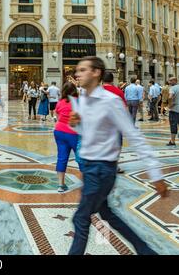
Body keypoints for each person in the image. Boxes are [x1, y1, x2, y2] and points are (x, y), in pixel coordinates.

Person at [68, 56, 169, 255]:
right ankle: (146, 251)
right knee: (107, 214)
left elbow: (134, 136)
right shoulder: (84, 99)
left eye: (82, 70)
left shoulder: (111, 101)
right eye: (77, 70)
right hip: (90, 168)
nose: (77, 74)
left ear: (96, 72)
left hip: (101, 169)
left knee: (80, 218)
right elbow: (90, 133)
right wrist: (76, 124)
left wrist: (156, 175)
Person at [54, 82, 81, 193]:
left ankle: (61, 185)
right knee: (82, 158)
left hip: (59, 131)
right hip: (74, 133)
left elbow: (58, 117)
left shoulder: (60, 102)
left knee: (62, 157)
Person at [167, 77, 179, 146]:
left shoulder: (173, 88)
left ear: (175, 81)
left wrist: (170, 104)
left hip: (174, 110)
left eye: (171, 81)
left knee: (173, 125)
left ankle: (172, 141)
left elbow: (170, 97)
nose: (169, 82)